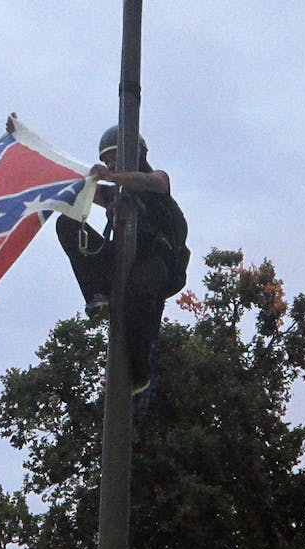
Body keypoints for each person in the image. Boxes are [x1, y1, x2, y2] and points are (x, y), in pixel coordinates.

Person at [55, 125, 188, 396]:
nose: (109, 164)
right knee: (66, 223)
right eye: (106, 160)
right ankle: (97, 295)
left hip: (157, 261)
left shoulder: (156, 180)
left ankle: (137, 376)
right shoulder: (115, 194)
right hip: (120, 258)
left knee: (136, 294)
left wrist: (113, 176)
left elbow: (154, 184)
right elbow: (78, 190)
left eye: (113, 157)